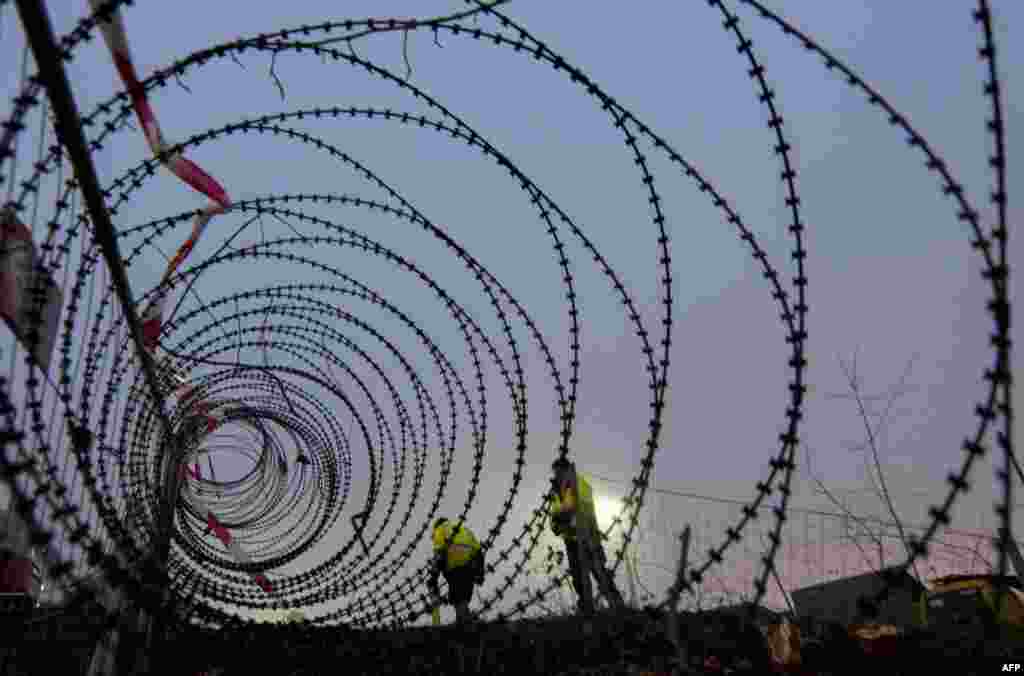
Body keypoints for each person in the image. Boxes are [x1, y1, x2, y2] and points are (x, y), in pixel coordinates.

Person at [548, 457, 625, 614]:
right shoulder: (558, 490)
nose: (556, 475)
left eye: (559, 471)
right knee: (578, 577)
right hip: (570, 539)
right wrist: (556, 522)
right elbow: (555, 513)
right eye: (555, 472)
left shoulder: (578, 484)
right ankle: (587, 609)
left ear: (566, 470)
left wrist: (561, 516)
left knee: (599, 572)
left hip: (587, 535)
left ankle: (617, 606)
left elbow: (573, 506)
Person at [428, 517, 485, 624]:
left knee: (457, 598)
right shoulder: (464, 529)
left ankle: (463, 624)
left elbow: (439, 553)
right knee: (464, 597)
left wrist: (434, 576)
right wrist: (480, 572)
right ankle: (466, 620)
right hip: (470, 565)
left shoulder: (440, 530)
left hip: (454, 566)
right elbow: (478, 552)